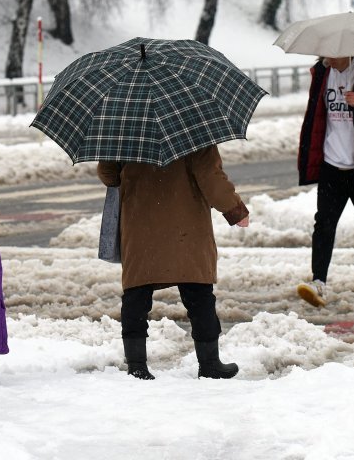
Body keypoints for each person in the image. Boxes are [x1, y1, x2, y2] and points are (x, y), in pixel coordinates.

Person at [97, 145, 249, 380]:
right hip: (186, 226)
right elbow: (210, 176)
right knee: (198, 293)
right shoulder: (195, 129)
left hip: (140, 223)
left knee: (137, 294)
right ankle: (209, 363)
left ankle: (137, 366)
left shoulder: (124, 129)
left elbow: (109, 176)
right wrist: (235, 210)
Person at [295, 55, 354, 308]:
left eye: (332, 51)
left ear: (347, 51)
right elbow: (315, 118)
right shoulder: (322, 75)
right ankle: (319, 283)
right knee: (323, 225)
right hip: (332, 166)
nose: (327, 56)